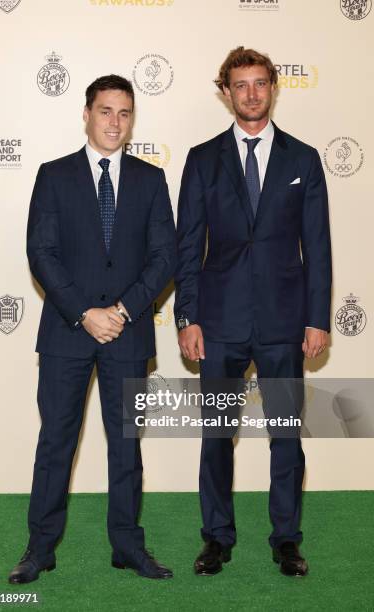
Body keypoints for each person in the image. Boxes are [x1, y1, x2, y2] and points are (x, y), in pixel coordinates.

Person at [9, 74, 176, 583]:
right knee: (56, 442)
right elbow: (42, 252)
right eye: (105, 111)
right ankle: (39, 549)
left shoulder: (150, 180)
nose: (115, 122)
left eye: (124, 113)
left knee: (126, 446)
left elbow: (164, 255)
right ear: (86, 114)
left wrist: (121, 311)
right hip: (66, 333)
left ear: (132, 120)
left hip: (128, 333)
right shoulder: (54, 176)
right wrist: (85, 312)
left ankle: (127, 546)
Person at [174, 47, 331, 577]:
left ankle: (286, 538)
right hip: (218, 324)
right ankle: (216, 537)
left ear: (273, 86)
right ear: (226, 91)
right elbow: (187, 246)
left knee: (285, 432)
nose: (251, 94)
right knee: (217, 434)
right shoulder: (202, 159)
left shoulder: (303, 159)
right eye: (240, 85)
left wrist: (317, 319)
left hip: (286, 323)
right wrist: (186, 317)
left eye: (259, 83)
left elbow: (318, 246)